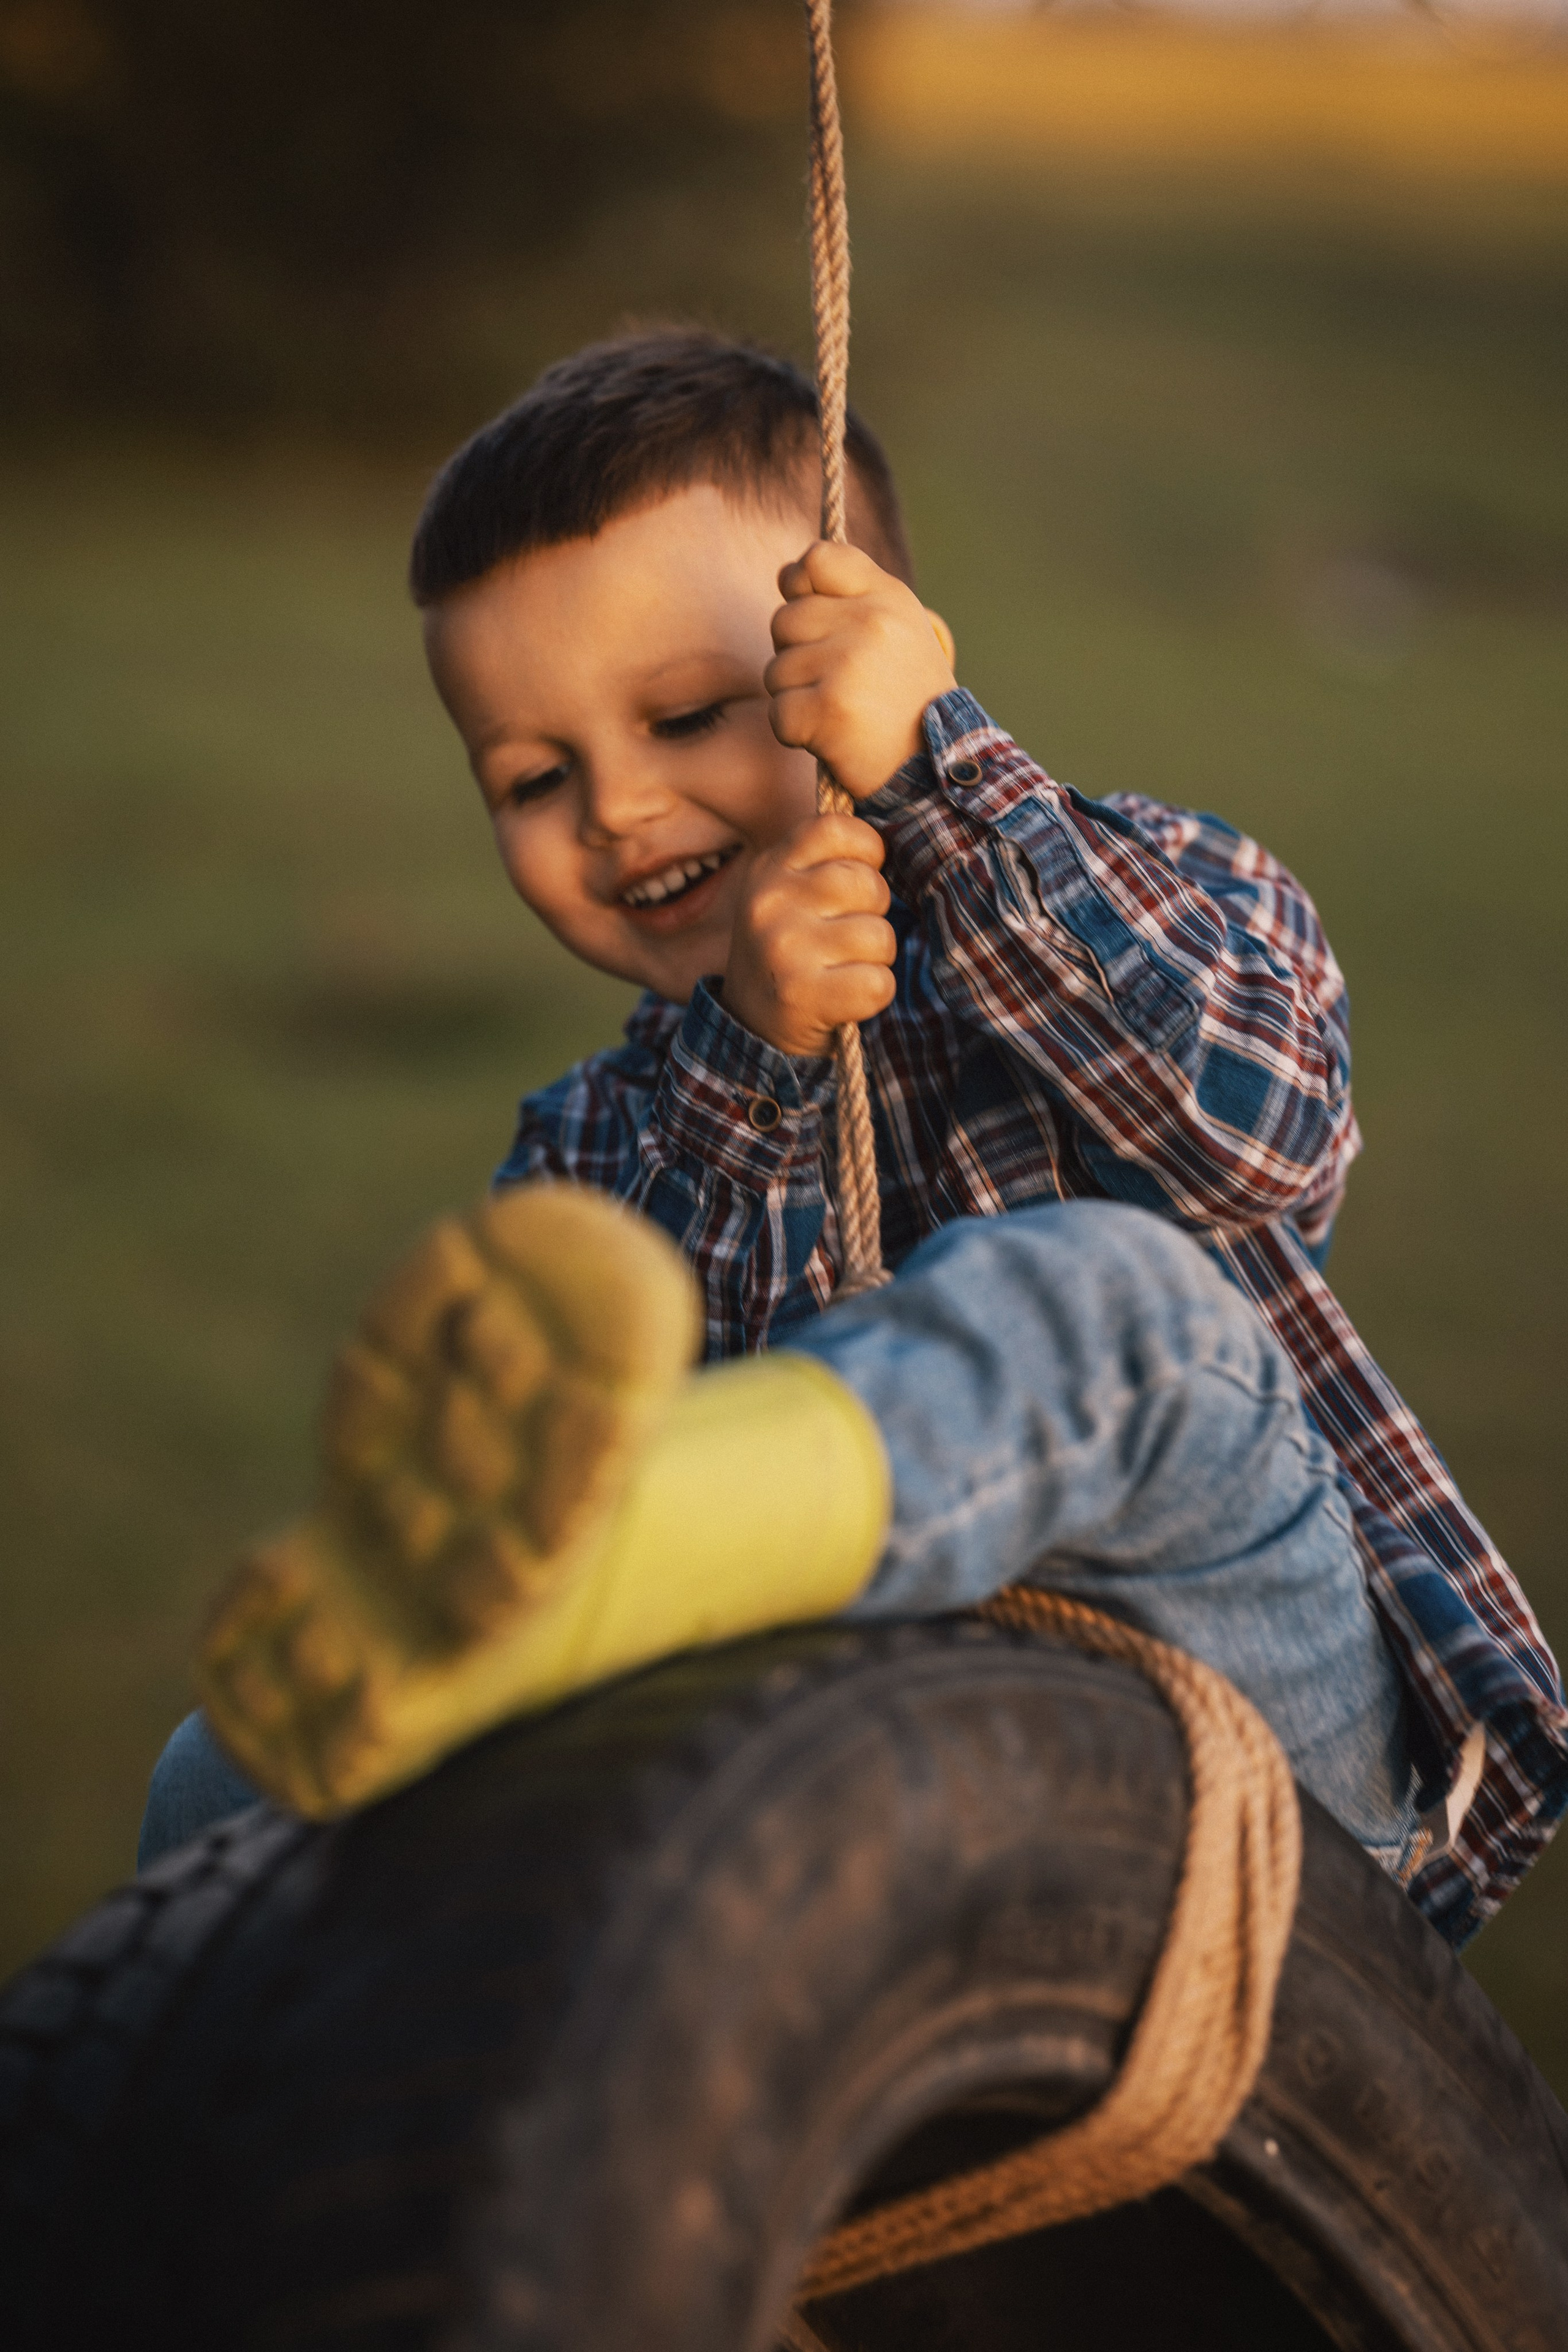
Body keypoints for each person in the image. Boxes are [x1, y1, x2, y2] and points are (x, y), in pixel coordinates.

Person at [143, 331, 1565, 1951]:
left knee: (1122, 1300)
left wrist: (943, 782)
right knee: (217, 1777)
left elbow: (1250, 1142)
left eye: (686, 715)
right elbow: (665, 1331)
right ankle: (193, 2131)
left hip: (1251, 1730)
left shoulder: (1162, 883)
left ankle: (599, 1562)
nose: (614, 810)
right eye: (535, 779)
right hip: (826, 1790)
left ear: (871, 660)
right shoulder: (594, 1154)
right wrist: (750, 1064)